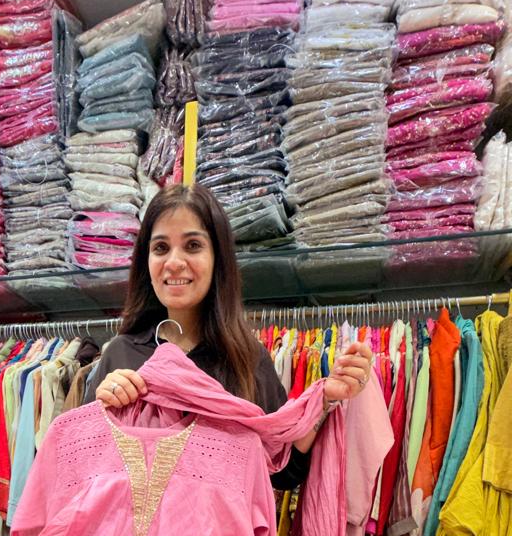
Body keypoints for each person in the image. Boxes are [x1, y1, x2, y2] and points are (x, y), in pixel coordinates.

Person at [92, 183, 373, 488]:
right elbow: (84, 472)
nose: (173, 262)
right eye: (160, 248)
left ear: (218, 258)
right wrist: (102, 408)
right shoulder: (120, 355)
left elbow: (282, 472)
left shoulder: (248, 360)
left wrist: (325, 400)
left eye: (192, 245)